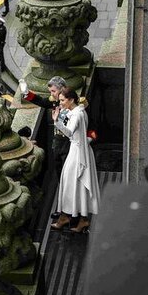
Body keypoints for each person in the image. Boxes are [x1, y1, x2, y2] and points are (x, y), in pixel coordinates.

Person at [51, 88, 101, 233]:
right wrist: (60, 118)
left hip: (77, 153)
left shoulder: (77, 114)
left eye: (62, 100)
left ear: (71, 100)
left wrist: (56, 121)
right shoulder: (77, 111)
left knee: (69, 184)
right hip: (79, 151)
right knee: (75, 185)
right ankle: (76, 218)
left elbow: (69, 131)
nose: (60, 103)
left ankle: (68, 217)